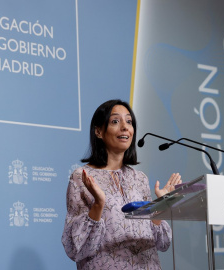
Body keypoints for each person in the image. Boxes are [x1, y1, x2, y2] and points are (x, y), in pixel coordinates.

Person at [62, 99, 182, 270]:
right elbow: (77, 248)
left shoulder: (139, 178)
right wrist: (98, 204)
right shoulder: (82, 177)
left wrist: (160, 207)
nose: (125, 127)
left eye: (129, 121)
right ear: (98, 131)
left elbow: (162, 243)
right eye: (115, 121)